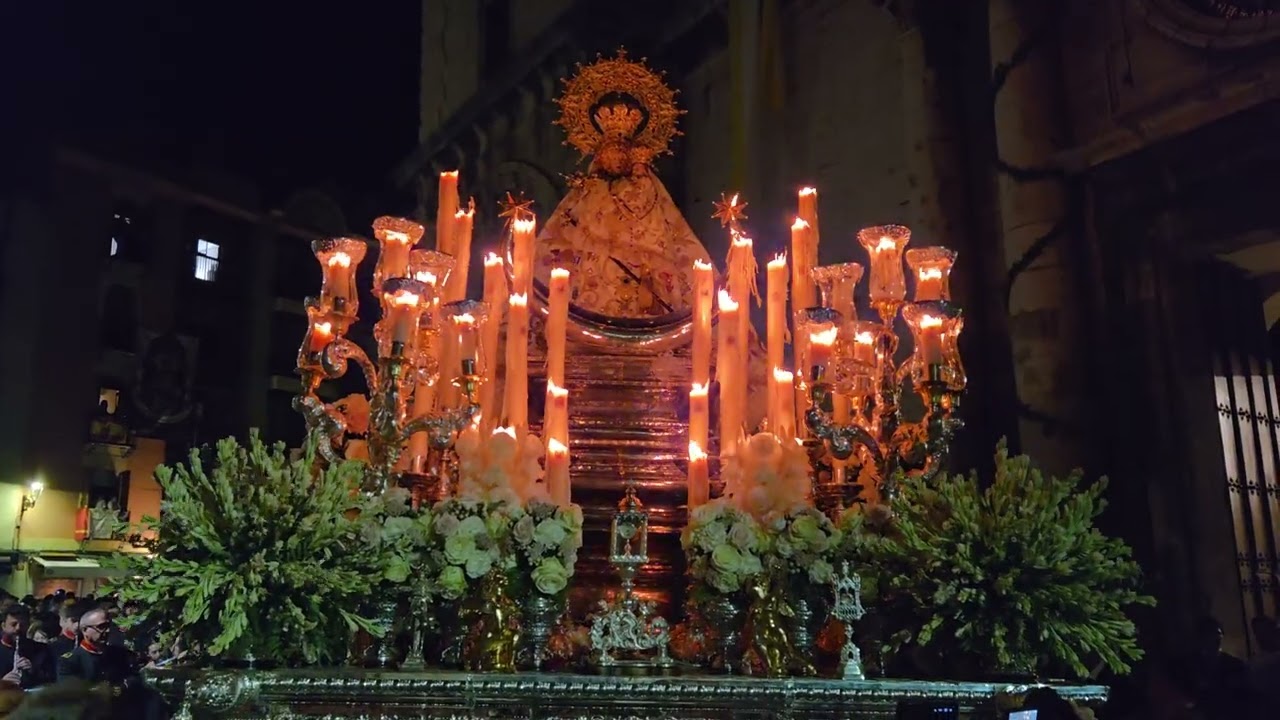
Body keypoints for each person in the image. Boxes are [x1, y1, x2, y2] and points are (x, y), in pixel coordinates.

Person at [0, 606, 54, 688]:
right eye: (13, 624)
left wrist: (33, 671)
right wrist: (3, 683)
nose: (18, 628)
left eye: (23, 625)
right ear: (3, 626)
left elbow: (51, 680)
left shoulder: (42, 649)